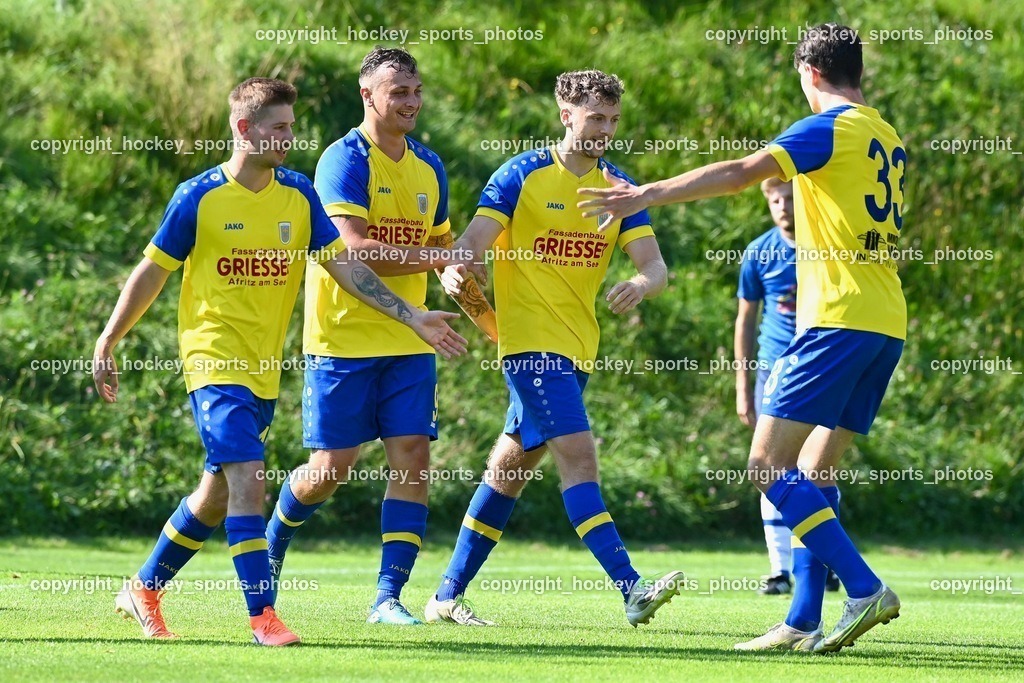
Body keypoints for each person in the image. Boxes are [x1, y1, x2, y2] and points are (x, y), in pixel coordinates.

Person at [93, 77, 466, 645]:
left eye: (292, 126)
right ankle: (262, 617)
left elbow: (345, 266)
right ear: (244, 129)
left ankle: (144, 586)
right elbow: (153, 272)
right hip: (212, 360)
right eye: (280, 127)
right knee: (249, 478)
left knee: (215, 496)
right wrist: (109, 339)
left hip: (265, 370)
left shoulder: (297, 195)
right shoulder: (199, 197)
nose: (290, 138)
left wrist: (412, 316)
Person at [579, 23, 905, 652]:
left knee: (767, 465)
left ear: (809, 73)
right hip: (884, 319)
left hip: (837, 317)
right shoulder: (884, 132)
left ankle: (864, 589)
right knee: (812, 469)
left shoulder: (828, 128)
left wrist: (646, 193)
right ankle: (803, 619)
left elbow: (741, 171)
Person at [425, 69, 683, 628]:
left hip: (578, 350)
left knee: (507, 472)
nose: (606, 129)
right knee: (580, 458)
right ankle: (631, 588)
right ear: (567, 115)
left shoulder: (619, 188)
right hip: (529, 347)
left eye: (614, 120)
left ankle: (445, 597)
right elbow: (472, 241)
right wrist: (457, 266)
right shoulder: (521, 174)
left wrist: (640, 285)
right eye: (596, 118)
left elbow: (656, 267)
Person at [264, 47, 488, 625]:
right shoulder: (343, 161)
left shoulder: (429, 166)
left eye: (416, 92)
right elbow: (356, 253)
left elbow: (440, 256)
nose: (411, 103)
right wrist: (437, 255)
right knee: (329, 469)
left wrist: (472, 293)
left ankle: (388, 598)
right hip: (342, 339)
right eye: (399, 93)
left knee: (413, 459)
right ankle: (271, 550)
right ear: (368, 96)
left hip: (411, 339)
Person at [736, 178, 841, 597]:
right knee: (770, 464)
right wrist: (742, 385)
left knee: (819, 465)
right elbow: (745, 320)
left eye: (790, 199)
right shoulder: (759, 252)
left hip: (819, 369)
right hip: (774, 373)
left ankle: (824, 562)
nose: (782, 206)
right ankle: (779, 570)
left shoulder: (828, 247)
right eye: (775, 199)